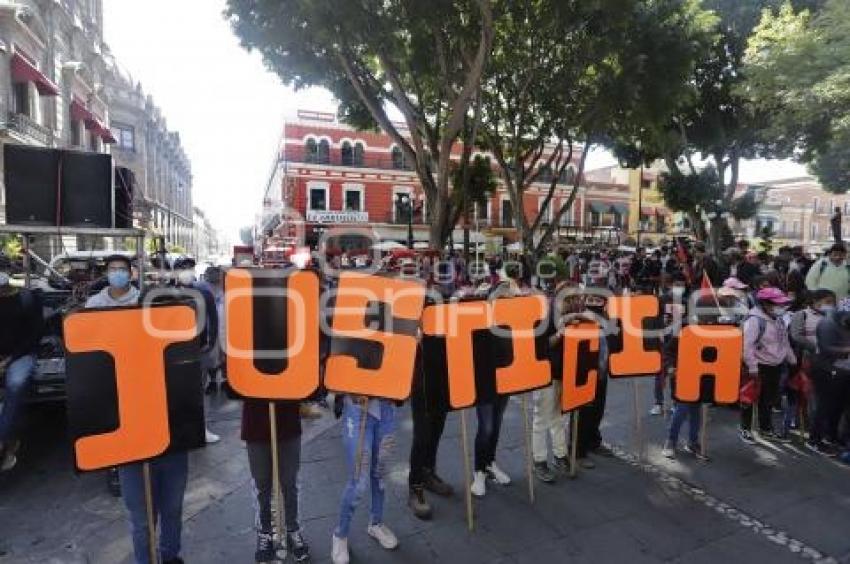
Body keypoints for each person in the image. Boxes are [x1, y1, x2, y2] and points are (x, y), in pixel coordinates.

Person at [87, 255, 187, 564]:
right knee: (141, 516)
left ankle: (170, 556)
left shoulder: (177, 350)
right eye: (112, 269)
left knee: (172, 508)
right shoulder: (95, 309)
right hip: (132, 441)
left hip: (172, 439)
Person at [331, 395, 398, 564]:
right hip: (357, 407)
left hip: (386, 406)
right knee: (358, 481)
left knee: (380, 473)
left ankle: (376, 523)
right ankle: (340, 534)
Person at [242, 398, 310, 562]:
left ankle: (292, 528)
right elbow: (233, 386)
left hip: (288, 421)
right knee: (261, 484)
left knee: (290, 482)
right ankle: (264, 532)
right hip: (256, 422)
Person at [171, 257, 221, 444]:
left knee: (199, 389)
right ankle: (177, 428)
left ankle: (201, 427)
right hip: (173, 351)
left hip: (198, 349)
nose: (186, 272)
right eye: (182, 268)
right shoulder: (165, 292)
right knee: (175, 391)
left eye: (190, 268)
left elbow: (213, 319)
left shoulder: (203, 292)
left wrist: (212, 341)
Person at [0, 256, 42, 472]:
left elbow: (34, 335)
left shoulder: (27, 299)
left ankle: (3, 440)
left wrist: (10, 359)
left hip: (21, 354)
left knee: (16, 384)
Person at [740, 287, 797, 444]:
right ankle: (745, 428)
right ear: (765, 304)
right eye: (777, 304)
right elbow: (746, 346)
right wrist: (752, 367)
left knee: (768, 399)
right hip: (758, 367)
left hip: (775, 366)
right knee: (749, 398)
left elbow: (784, 341)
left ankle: (765, 429)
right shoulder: (754, 320)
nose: (781, 307)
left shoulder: (778, 320)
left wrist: (791, 358)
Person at [531, 272, 572, 483]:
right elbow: (540, 346)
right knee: (541, 418)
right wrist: (561, 334)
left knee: (559, 417)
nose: (572, 302)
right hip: (546, 373)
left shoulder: (570, 315)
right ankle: (539, 460)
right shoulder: (546, 316)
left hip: (563, 373)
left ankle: (560, 454)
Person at [408, 344, 453, 519]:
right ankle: (415, 485)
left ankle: (427, 473)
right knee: (422, 434)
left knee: (437, 427)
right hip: (420, 375)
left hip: (443, 371)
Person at [570, 287, 613, 469]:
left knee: (597, 411)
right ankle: (577, 452)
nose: (595, 302)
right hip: (584, 373)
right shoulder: (580, 319)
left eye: (599, 299)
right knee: (582, 414)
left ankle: (593, 442)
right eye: (592, 298)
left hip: (601, 374)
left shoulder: (606, 320)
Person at [651, 274, 688, 416]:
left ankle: (675, 401)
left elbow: (688, 321)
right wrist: (657, 332)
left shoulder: (685, 301)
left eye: (682, 285)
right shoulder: (661, 300)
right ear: (671, 285)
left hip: (678, 341)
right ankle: (658, 403)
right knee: (660, 373)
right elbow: (654, 318)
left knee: (675, 373)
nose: (680, 288)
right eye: (677, 285)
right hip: (663, 339)